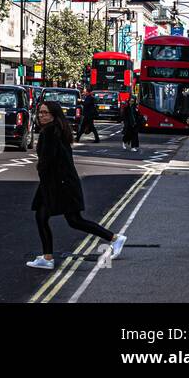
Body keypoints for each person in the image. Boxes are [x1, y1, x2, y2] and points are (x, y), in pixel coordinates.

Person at [26, 100, 126, 269]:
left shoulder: (50, 132)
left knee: (73, 220)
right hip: (59, 183)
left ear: (54, 115)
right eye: (40, 112)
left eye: (45, 113)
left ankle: (115, 238)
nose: (42, 115)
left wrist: (40, 167)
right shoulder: (58, 130)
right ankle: (47, 257)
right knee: (45, 217)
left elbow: (47, 161)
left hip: (59, 185)